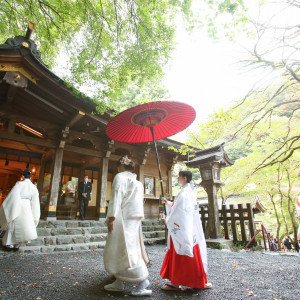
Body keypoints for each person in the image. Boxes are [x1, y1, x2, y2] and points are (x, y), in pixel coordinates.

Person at [103, 155, 151, 296]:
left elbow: (116, 197)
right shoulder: (138, 183)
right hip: (134, 218)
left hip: (122, 218)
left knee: (127, 249)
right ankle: (119, 280)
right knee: (125, 248)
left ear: (121, 165)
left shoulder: (120, 177)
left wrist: (111, 217)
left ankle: (143, 282)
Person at [160, 170, 211, 291]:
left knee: (179, 251)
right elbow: (181, 208)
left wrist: (168, 219)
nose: (177, 178)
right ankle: (197, 280)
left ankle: (175, 282)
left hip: (181, 227)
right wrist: (169, 203)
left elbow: (180, 211)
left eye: (179, 176)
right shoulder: (189, 191)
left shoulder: (184, 193)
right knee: (192, 251)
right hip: (188, 227)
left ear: (184, 178)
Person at [0, 168, 40, 251]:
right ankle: (17, 244)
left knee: (14, 223)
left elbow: (13, 196)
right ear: (30, 176)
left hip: (17, 204)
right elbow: (35, 201)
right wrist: (34, 212)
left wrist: (9, 206)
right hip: (27, 206)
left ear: (23, 176)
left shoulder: (19, 184)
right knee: (24, 224)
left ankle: (10, 244)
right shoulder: (33, 187)